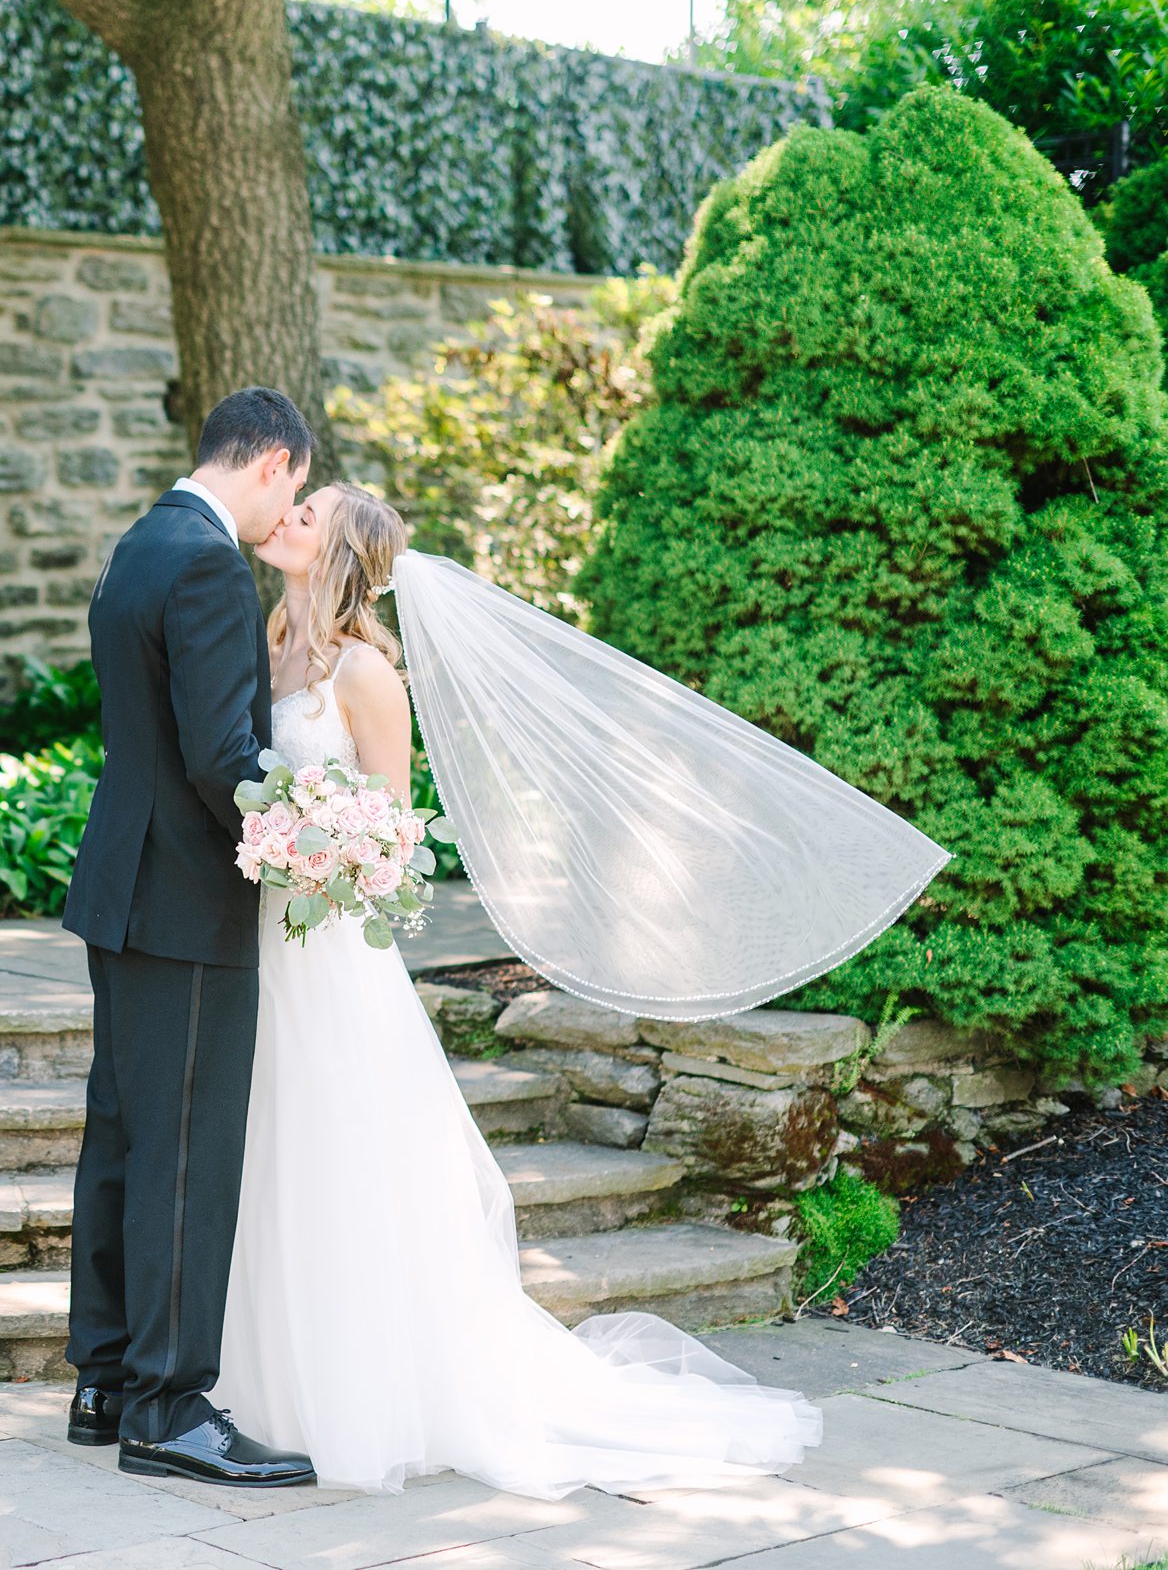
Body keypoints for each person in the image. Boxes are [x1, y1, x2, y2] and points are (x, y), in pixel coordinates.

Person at [211, 480, 828, 1498]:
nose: (288, 520)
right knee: (274, 1143)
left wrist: (320, 853)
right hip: (269, 944)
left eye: (309, 515)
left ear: (343, 554)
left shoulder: (366, 672)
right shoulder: (274, 636)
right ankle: (268, 1378)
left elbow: (395, 836)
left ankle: (368, 1392)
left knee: (339, 1148)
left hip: (329, 954)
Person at [58, 386, 318, 1488]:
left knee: (122, 1134)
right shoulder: (210, 563)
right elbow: (222, 754)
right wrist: (305, 844)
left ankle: (107, 1378)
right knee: (184, 1154)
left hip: (122, 885)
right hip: (184, 899)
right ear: (269, 463)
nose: (287, 515)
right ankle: (168, 1406)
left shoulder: (138, 544)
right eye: (293, 490)